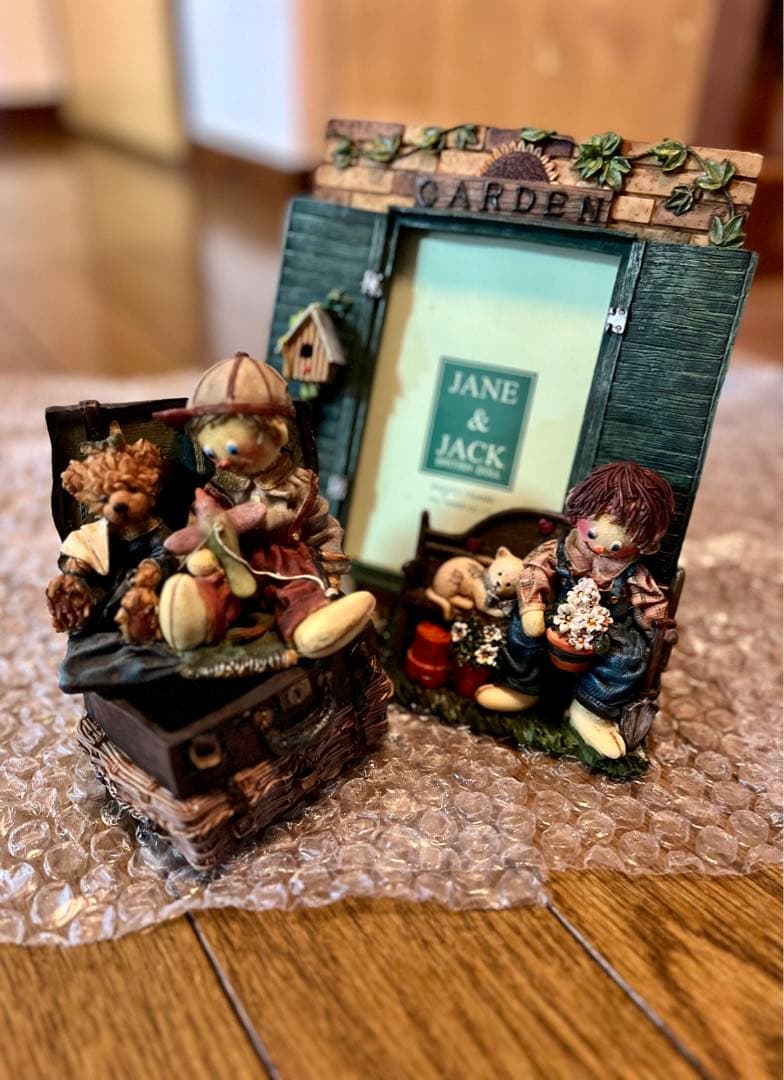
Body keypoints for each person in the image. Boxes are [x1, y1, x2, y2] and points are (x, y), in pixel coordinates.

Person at [153, 353, 375, 658]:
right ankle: (196, 617)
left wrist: (331, 570)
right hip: (232, 559)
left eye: (232, 448)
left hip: (286, 564)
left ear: (276, 434)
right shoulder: (215, 491)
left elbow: (322, 528)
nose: (223, 461)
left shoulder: (297, 487)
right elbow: (198, 528)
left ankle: (311, 627)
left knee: (300, 590)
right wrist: (197, 556)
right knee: (214, 586)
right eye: (212, 452)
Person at [475, 461, 674, 759]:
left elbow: (650, 602)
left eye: (616, 545)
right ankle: (522, 688)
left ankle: (590, 712)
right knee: (522, 629)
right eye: (592, 534)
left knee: (628, 654)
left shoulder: (632, 572)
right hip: (558, 613)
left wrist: (657, 629)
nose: (600, 548)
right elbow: (534, 570)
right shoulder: (562, 550)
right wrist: (533, 607)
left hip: (608, 629)